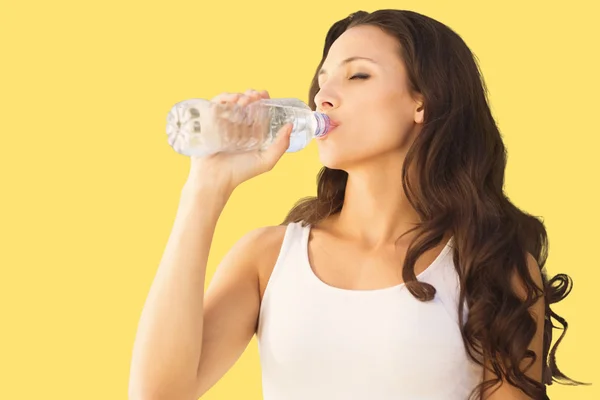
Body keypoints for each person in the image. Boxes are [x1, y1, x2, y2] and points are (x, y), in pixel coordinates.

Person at [128, 9, 586, 400]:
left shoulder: (491, 268)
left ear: (422, 102)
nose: (322, 96)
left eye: (358, 75)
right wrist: (205, 190)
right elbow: (158, 393)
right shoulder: (267, 259)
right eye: (322, 80)